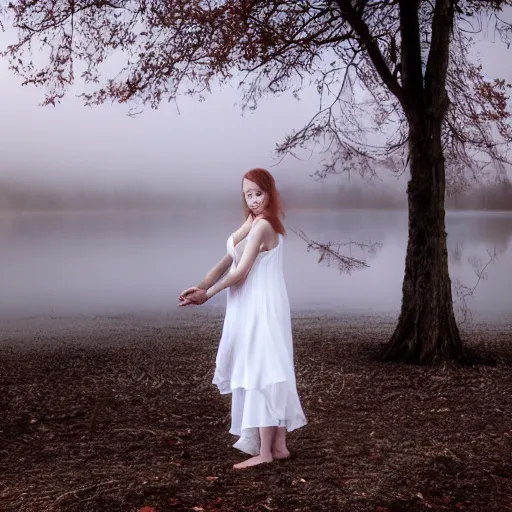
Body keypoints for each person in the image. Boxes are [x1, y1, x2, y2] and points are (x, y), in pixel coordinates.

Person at [178, 168, 307, 469]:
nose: (252, 200)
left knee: (262, 370)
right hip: (259, 303)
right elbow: (228, 259)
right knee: (268, 368)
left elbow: (241, 271)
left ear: (270, 194)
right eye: (247, 194)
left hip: (262, 306)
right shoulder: (253, 223)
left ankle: (264, 453)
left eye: (258, 193)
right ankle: (278, 447)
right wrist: (202, 285)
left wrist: (207, 296)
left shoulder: (263, 226)